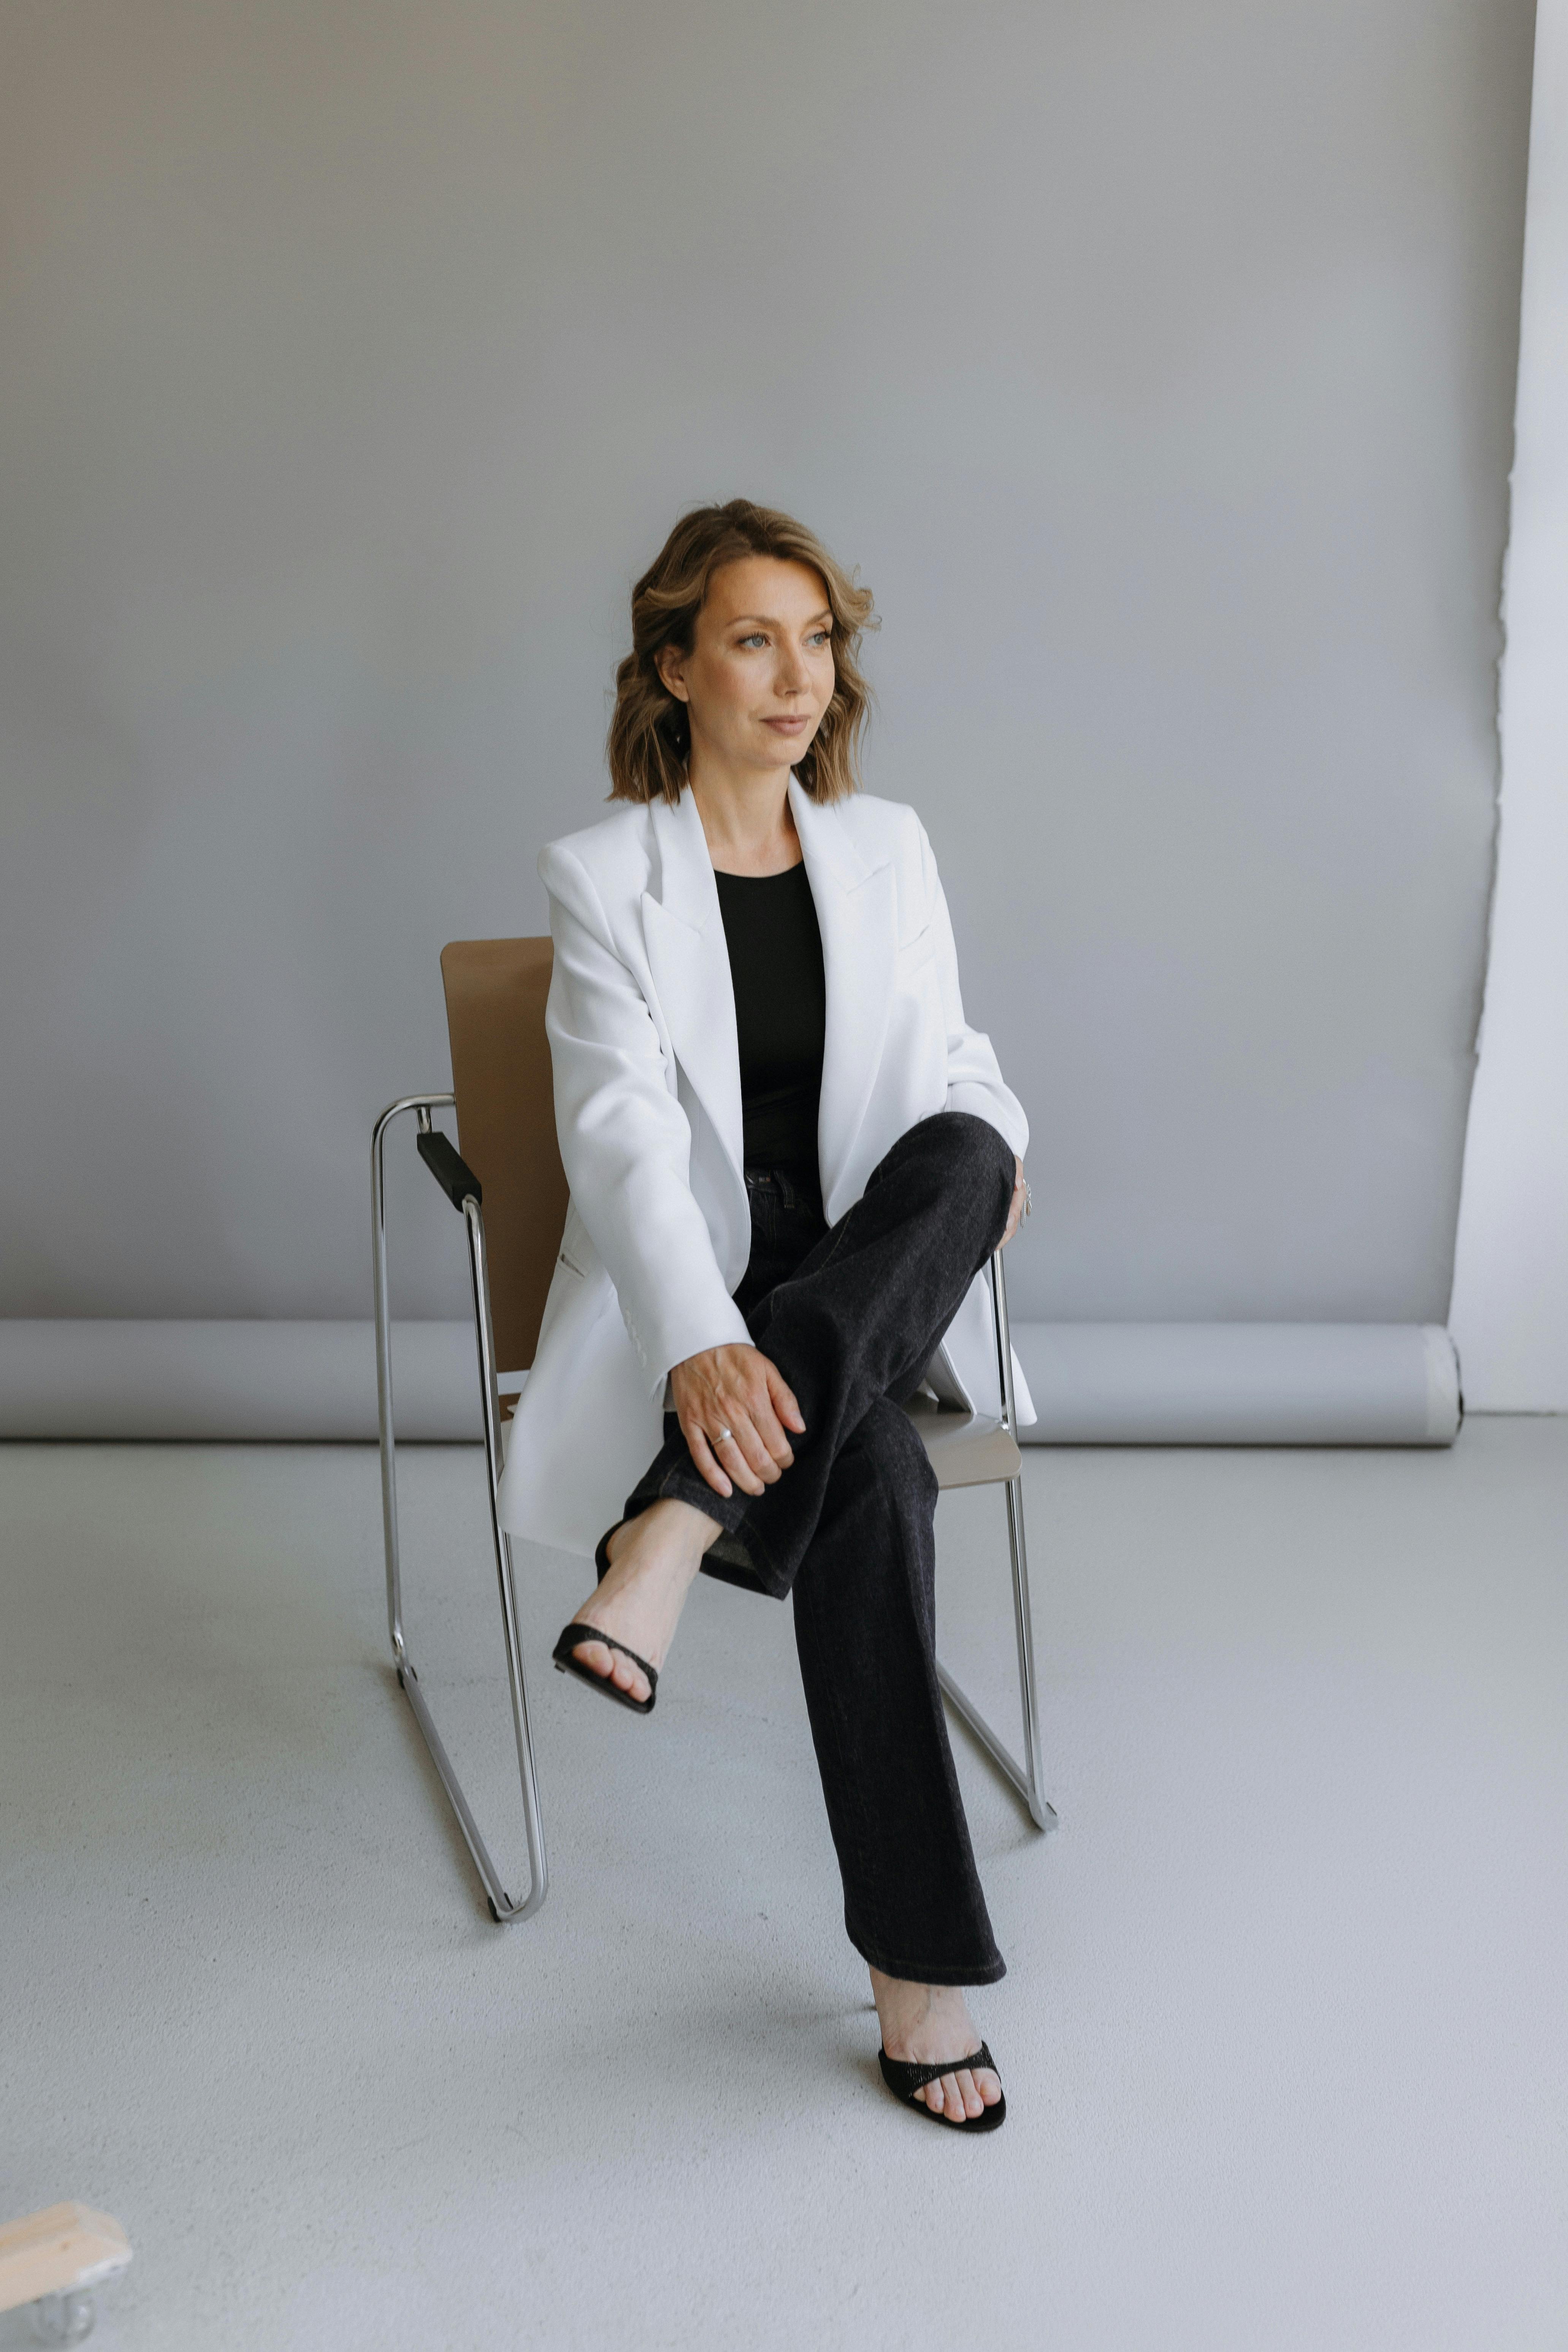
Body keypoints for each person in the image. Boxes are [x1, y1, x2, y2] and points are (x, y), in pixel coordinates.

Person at [496, 499, 1033, 2131]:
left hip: (867, 1256)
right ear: (677, 665)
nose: (797, 675)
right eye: (754, 638)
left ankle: (673, 1525)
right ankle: (918, 1982)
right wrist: (704, 1340)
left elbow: (950, 1068)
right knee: (873, 1480)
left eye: (818, 639)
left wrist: (992, 1154)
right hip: (710, 1281)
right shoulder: (605, 878)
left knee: (974, 1145)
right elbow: (622, 1146)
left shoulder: (890, 846)